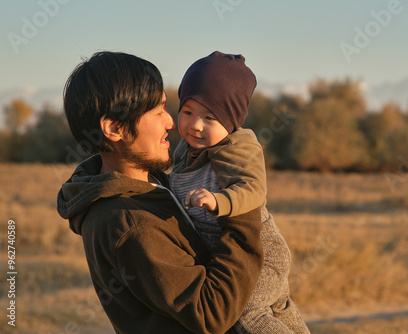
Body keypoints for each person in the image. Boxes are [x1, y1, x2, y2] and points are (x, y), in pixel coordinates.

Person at [56, 51, 264, 334]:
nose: (170, 122)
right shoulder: (130, 222)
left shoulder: (146, 188)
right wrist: (242, 207)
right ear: (115, 128)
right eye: (156, 112)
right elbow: (211, 313)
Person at [169, 51, 310, 333]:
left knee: (247, 313)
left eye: (209, 117)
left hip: (262, 252)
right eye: (188, 112)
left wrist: (220, 200)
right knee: (280, 310)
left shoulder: (238, 146)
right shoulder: (185, 150)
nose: (195, 125)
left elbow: (254, 189)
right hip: (233, 252)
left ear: (231, 121)